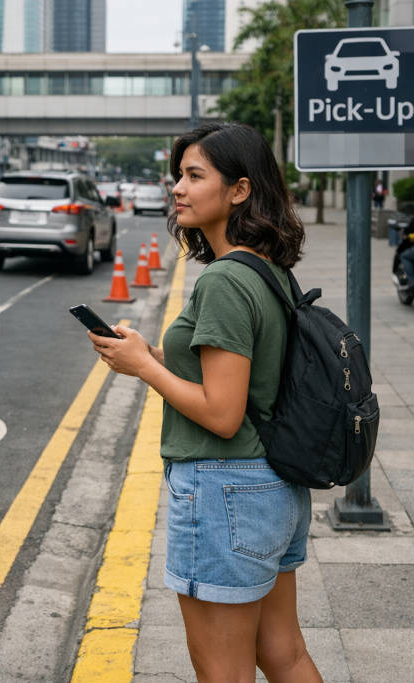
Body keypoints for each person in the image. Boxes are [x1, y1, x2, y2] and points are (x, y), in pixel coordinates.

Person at [86, 122, 319, 682]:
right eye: (178, 176)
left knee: (223, 673)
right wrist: (156, 356)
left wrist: (142, 367)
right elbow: (243, 379)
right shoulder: (270, 273)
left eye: (194, 176)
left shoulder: (222, 283)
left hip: (225, 490)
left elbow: (221, 411)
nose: (177, 189)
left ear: (239, 190)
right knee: (284, 655)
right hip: (274, 487)